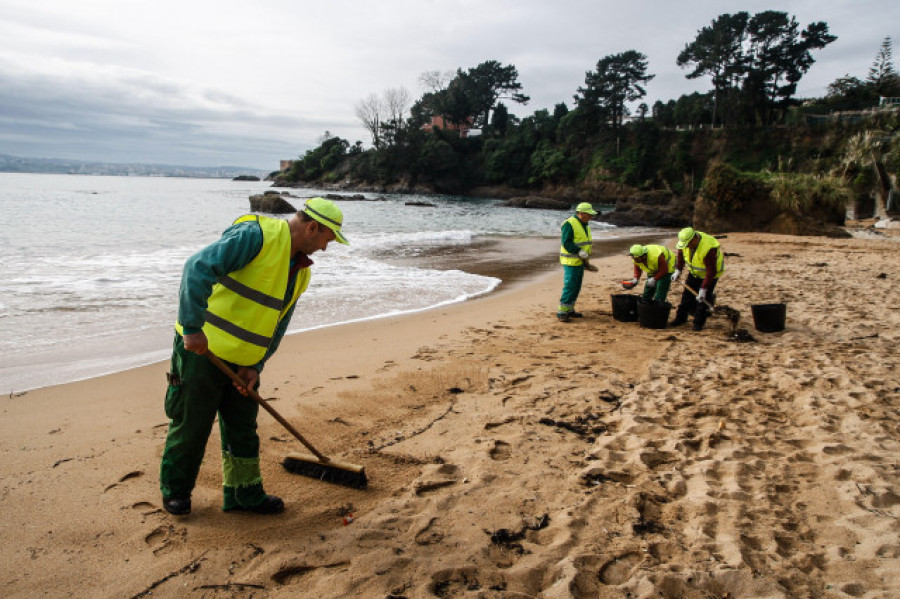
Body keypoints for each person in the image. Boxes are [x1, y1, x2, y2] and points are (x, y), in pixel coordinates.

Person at [159, 197, 348, 516]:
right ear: (312, 227)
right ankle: (176, 491)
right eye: (326, 239)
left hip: (242, 364)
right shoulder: (255, 236)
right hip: (202, 353)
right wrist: (191, 328)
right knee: (192, 422)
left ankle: (243, 494)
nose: (326, 248)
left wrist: (255, 366)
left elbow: (277, 324)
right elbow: (197, 267)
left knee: (242, 428)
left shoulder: (301, 272)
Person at [669, 227, 724, 331]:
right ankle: (680, 318)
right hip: (694, 272)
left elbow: (711, 271)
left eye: (689, 244)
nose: (687, 247)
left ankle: (698, 323)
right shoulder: (685, 242)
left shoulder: (708, 249)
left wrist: (703, 289)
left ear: (694, 239)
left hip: (710, 275)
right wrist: (678, 270)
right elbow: (681, 255)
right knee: (686, 296)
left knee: (703, 299)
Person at [557, 202, 598, 322]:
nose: (591, 216)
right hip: (571, 262)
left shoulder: (584, 224)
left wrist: (587, 264)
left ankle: (570, 309)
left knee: (576, 286)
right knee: (570, 286)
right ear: (581, 214)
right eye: (589, 214)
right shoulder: (569, 224)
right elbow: (566, 242)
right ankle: (562, 312)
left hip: (580, 261)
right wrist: (578, 251)